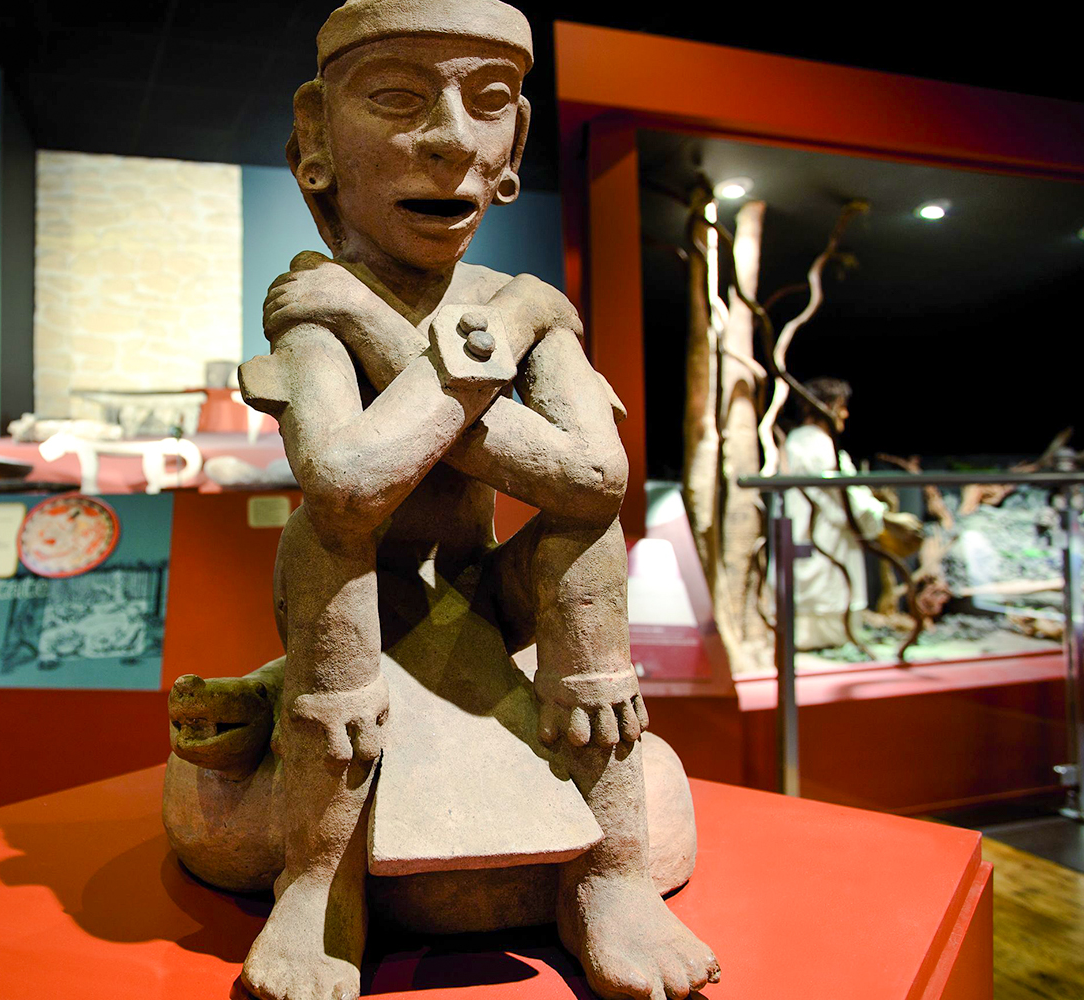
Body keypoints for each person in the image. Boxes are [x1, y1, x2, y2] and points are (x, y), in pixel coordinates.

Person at [169, 3, 719, 999]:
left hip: (486, 597)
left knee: (586, 537)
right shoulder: (320, 305)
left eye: (490, 100)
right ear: (316, 136)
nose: (452, 139)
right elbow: (347, 486)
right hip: (354, 609)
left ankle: (611, 874)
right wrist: (485, 345)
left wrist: (403, 332)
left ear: (517, 143)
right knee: (324, 543)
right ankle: (320, 885)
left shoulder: (483, 304)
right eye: (397, 98)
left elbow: (596, 479)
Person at [784, 377, 922, 649]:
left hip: (813, 537)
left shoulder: (797, 441)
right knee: (826, 599)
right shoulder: (818, 445)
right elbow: (848, 495)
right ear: (826, 407)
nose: (845, 414)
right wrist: (884, 518)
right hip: (824, 540)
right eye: (841, 406)